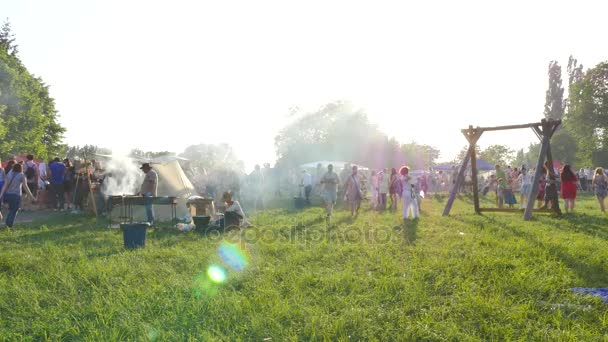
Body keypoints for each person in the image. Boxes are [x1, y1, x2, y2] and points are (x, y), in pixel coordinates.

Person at [0, 163, 37, 228]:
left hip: (7, 194)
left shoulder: (9, 174)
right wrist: (32, 197)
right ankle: (8, 225)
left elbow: (5, 186)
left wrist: (1, 195)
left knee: (11, 209)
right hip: (16, 195)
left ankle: (8, 223)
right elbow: (26, 187)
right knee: (14, 210)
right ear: (21, 168)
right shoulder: (22, 175)